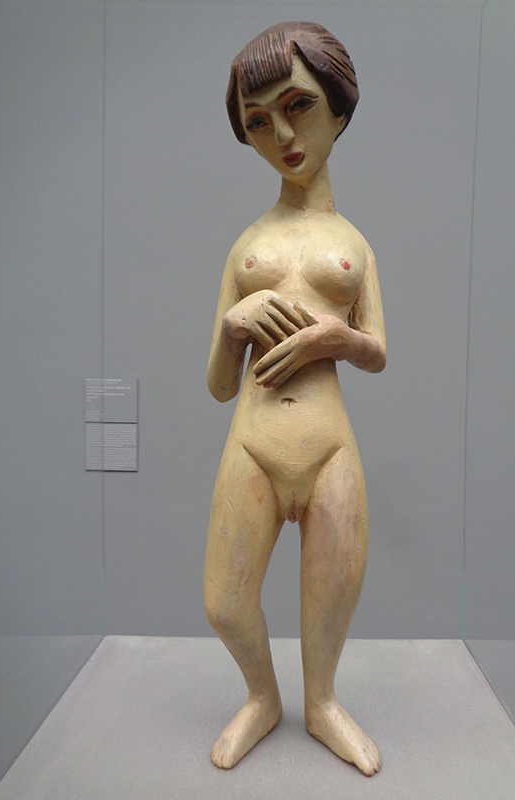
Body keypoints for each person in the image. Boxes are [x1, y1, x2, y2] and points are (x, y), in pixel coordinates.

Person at [204, 22, 386, 776]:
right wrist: (232, 325)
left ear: (339, 109)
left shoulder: (355, 245)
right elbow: (221, 384)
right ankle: (261, 696)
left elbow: (377, 352)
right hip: (253, 442)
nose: (281, 135)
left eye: (298, 106)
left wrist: (332, 339)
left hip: (329, 448)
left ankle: (321, 703)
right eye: (256, 121)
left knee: (330, 597)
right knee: (224, 602)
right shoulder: (246, 246)